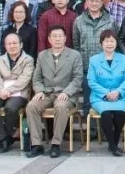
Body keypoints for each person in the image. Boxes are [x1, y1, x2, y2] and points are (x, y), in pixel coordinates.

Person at [26, 26, 85, 158]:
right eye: (54, 36)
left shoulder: (74, 55)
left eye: (60, 36)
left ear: (65, 38)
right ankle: (36, 144)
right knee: (31, 106)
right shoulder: (42, 55)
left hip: (66, 95)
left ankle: (56, 144)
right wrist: (39, 90)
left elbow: (77, 78)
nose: (57, 39)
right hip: (47, 93)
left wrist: (67, 92)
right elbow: (37, 78)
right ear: (49, 39)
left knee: (61, 106)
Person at [0, 32, 35, 153]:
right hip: (0, 90)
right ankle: (5, 137)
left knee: (10, 108)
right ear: (5, 46)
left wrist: (9, 90)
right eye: (9, 44)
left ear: (21, 45)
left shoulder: (28, 60)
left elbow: (25, 79)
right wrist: (1, 89)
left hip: (19, 91)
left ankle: (6, 136)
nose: (12, 46)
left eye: (15, 43)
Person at [88, 29, 125, 156]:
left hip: (119, 96)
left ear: (116, 43)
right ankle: (113, 146)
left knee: (120, 114)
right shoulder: (94, 60)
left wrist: (117, 92)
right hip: (100, 97)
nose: (109, 44)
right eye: (106, 41)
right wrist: (106, 93)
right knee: (106, 113)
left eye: (112, 41)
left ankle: (114, 142)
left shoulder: (124, 59)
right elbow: (92, 82)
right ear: (101, 43)